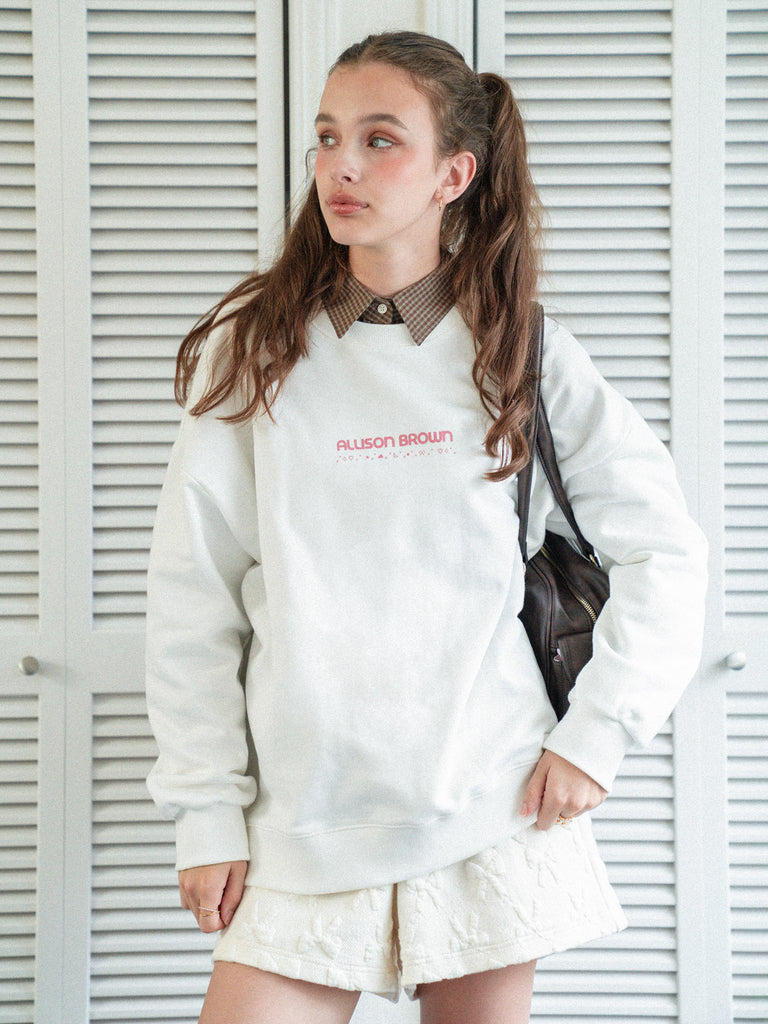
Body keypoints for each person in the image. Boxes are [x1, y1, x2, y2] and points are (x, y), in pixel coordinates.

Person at [145, 30, 708, 1024]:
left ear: (455, 173)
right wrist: (207, 809)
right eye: (327, 137)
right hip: (303, 821)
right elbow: (194, 598)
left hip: (491, 806)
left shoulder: (522, 351)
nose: (341, 166)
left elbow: (665, 548)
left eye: (379, 139)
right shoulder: (256, 351)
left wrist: (598, 737)